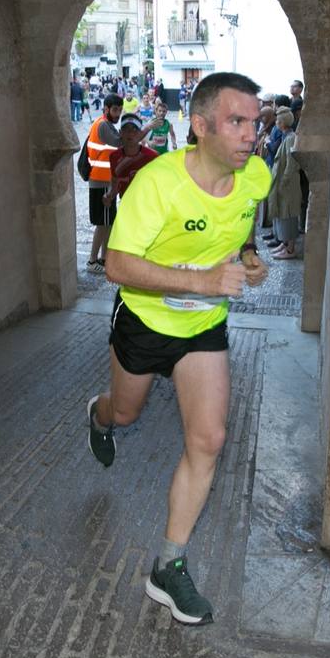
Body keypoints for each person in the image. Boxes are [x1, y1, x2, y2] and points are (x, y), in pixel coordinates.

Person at [86, 72, 270, 626]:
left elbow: (237, 230)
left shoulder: (255, 178)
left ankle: (169, 565)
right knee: (125, 411)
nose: (250, 135)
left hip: (202, 331)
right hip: (144, 321)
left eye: (255, 123)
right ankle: (98, 417)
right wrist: (202, 282)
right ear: (200, 126)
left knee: (209, 438)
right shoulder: (158, 183)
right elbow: (117, 265)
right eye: (237, 122)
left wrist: (250, 256)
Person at [84, 94, 124, 269]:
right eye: (115, 110)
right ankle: (93, 261)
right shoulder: (103, 125)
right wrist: (143, 130)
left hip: (104, 181)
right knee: (102, 223)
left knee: (107, 222)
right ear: (106, 108)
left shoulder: (105, 124)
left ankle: (103, 259)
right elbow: (120, 142)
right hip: (100, 182)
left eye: (120, 110)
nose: (118, 114)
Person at [266, 108, 303, 259]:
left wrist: (285, 181)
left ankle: (290, 248)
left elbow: (291, 162)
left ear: (283, 122)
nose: (276, 123)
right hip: (283, 182)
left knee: (288, 214)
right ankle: (285, 243)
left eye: (278, 121)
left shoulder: (290, 138)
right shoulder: (286, 136)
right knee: (282, 214)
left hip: (287, 184)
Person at [105, 114, 160, 207]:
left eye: (134, 129)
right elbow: (115, 182)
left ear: (140, 133)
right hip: (126, 205)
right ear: (120, 132)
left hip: (148, 206)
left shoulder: (152, 156)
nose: (130, 133)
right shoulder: (114, 156)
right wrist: (108, 195)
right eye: (126, 129)